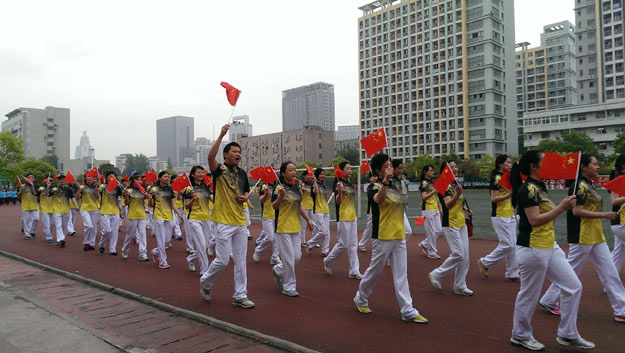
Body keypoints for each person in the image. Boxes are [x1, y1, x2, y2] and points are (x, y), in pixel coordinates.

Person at [509, 150, 593, 351]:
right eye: (545, 161)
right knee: (529, 294)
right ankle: (520, 335)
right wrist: (562, 207)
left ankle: (567, 333)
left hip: (549, 245)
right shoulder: (528, 188)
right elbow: (534, 221)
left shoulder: (539, 186)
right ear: (533, 166)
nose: (551, 164)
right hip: (532, 248)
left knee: (573, 286)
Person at [539, 153, 625, 324]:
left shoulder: (588, 184)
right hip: (582, 234)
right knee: (571, 270)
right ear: (584, 167)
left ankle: (621, 309)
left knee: (610, 272)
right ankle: (549, 300)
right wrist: (605, 214)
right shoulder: (579, 185)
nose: (598, 167)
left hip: (595, 235)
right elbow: (576, 211)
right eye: (594, 164)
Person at [353, 153, 428, 324]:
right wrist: (385, 182)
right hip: (383, 235)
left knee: (402, 273)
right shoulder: (373, 186)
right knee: (375, 270)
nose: (391, 168)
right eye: (386, 166)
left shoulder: (397, 185)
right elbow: (378, 201)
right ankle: (360, 298)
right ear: (378, 170)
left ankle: (408, 310)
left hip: (398, 234)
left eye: (391, 165)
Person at [199, 124, 255, 309]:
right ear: (225, 155)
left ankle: (240, 295)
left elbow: (246, 193)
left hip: (239, 221)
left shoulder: (243, 174)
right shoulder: (219, 171)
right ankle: (206, 282)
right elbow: (210, 157)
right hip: (223, 221)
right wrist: (222, 135)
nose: (238, 154)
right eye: (234, 151)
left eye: (239, 152)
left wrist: (245, 197)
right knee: (222, 260)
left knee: (240, 260)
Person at [428, 160, 473, 296]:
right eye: (451, 167)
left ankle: (460, 286)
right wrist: (458, 194)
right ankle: (437, 274)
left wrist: (465, 209)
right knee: (459, 253)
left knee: (465, 257)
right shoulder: (443, 184)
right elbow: (447, 205)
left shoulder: (455, 184)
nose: (455, 169)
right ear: (445, 171)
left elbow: (458, 202)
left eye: (455, 167)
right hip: (450, 223)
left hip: (461, 223)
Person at [271, 161, 314, 297]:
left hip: (295, 226)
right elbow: (273, 206)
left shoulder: (296, 187)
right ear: (283, 173)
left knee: (297, 256)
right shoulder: (278, 188)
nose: (294, 172)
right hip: (283, 227)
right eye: (290, 170)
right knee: (289, 258)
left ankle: (278, 270)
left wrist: (308, 219)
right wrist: (281, 197)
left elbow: (299, 205)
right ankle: (288, 286)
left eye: (295, 170)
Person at [477, 155, 520, 281]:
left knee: (513, 245)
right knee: (508, 244)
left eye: (511, 162)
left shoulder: (508, 177)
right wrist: (509, 195)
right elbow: (493, 199)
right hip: (500, 214)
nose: (510, 164)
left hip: (510, 213)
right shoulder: (497, 178)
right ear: (500, 164)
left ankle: (513, 273)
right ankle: (485, 262)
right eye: (508, 162)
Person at [324, 161, 361, 279]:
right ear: (341, 171)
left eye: (350, 168)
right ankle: (328, 261)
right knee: (343, 244)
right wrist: (339, 191)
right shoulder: (338, 184)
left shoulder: (349, 184)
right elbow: (338, 202)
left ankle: (354, 271)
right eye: (348, 169)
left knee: (353, 244)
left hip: (352, 216)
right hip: (343, 217)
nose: (350, 170)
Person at [149, 171, 182, 269]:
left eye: (168, 177)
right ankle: (163, 261)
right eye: (165, 176)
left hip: (168, 215)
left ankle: (155, 251)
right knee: (161, 238)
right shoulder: (154, 189)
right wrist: (150, 199)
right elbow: (151, 204)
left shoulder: (170, 189)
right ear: (159, 178)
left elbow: (172, 203)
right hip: (158, 215)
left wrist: (178, 213)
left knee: (167, 240)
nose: (167, 178)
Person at [184, 166, 213, 274]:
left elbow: (212, 199)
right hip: (195, 218)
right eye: (199, 172)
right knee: (201, 244)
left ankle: (191, 259)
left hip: (206, 218)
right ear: (193, 174)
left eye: (202, 172)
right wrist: (192, 199)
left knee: (204, 245)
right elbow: (186, 206)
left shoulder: (206, 187)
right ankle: (205, 270)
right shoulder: (189, 189)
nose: (201, 174)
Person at [120, 173, 150, 261]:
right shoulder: (129, 191)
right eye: (137, 179)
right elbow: (126, 203)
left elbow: (145, 202)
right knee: (130, 235)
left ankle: (142, 254)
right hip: (132, 215)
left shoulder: (142, 190)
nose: (139, 181)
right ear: (133, 181)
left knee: (142, 234)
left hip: (142, 215)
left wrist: (149, 197)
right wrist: (126, 196)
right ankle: (125, 250)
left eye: (140, 179)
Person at [252, 180, 281, 265]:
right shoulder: (264, 186)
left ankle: (275, 257)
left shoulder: (279, 186)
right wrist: (266, 194)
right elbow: (261, 200)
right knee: (270, 237)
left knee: (276, 238)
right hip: (267, 215)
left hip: (276, 215)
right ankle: (258, 250)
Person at [418, 165, 443, 259]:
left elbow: (436, 197)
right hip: (428, 209)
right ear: (425, 172)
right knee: (431, 232)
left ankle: (424, 244)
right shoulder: (424, 183)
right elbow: (424, 197)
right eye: (431, 170)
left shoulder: (432, 182)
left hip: (435, 208)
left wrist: (440, 207)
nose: (433, 172)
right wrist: (433, 192)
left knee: (438, 230)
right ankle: (432, 252)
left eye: (433, 170)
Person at [305, 168, 331, 256]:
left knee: (327, 232)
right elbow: (315, 191)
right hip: (318, 211)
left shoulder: (323, 186)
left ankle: (325, 251)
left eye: (323, 174)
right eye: (320, 174)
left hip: (326, 210)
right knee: (322, 231)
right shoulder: (313, 185)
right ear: (316, 175)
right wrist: (315, 181)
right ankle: (310, 243)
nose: (322, 175)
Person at [47, 174, 77, 248]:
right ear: (58, 180)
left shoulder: (69, 189)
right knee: (58, 226)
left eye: (64, 179)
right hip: (57, 210)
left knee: (64, 226)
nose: (62, 181)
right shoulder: (54, 189)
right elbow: (47, 194)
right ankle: (61, 239)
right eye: (61, 180)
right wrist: (48, 187)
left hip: (66, 209)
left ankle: (60, 240)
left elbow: (72, 197)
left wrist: (76, 205)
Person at [99, 172, 123, 255]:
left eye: (113, 175)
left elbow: (119, 198)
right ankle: (102, 244)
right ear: (107, 177)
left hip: (115, 210)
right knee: (107, 230)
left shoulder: (118, 187)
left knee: (114, 231)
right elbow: (98, 195)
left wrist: (120, 209)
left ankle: (112, 249)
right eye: (110, 175)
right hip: (105, 210)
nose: (112, 176)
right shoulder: (103, 186)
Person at [77, 174, 100, 251]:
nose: (90, 178)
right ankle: (86, 242)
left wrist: (97, 188)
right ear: (85, 178)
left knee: (94, 227)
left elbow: (97, 197)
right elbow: (77, 197)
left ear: (94, 179)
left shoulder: (96, 186)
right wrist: (79, 190)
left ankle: (91, 244)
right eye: (88, 177)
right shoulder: (82, 187)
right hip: (85, 208)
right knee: (89, 226)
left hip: (94, 208)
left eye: (91, 177)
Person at [610, 153, 625, 271]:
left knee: (618, 254)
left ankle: (609, 284)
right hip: (621, 223)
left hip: (620, 223)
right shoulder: (619, 179)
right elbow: (614, 200)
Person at [391, 159, 413, 240]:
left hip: (400, 209)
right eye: (399, 168)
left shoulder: (400, 180)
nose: (401, 170)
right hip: (390, 211)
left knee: (408, 232)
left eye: (401, 168)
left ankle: (396, 249)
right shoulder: (388, 180)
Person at [358, 173, 378, 252]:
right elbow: (372, 198)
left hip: (379, 211)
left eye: (376, 176)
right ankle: (362, 243)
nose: (375, 178)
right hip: (371, 211)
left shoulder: (379, 185)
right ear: (370, 178)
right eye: (373, 177)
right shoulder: (370, 187)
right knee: (369, 228)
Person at [18, 174, 39, 239]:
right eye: (29, 177)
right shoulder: (22, 185)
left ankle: (31, 231)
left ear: (34, 179)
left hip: (34, 205)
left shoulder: (36, 185)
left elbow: (35, 194)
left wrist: (32, 186)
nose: (30, 178)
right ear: (26, 178)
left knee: (36, 219)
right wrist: (21, 190)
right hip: (25, 205)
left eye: (32, 177)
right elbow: (18, 196)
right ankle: (27, 234)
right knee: (26, 221)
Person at [299, 170, 316, 246]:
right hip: (304, 207)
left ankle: (313, 241)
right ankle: (302, 241)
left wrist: (315, 181)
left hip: (311, 206)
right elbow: (300, 195)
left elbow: (316, 192)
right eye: (308, 175)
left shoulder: (312, 184)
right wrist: (300, 187)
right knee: (303, 225)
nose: (310, 176)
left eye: (310, 175)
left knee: (313, 224)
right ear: (304, 176)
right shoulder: (301, 184)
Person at [38, 178, 56, 243]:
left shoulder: (54, 189)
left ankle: (46, 231)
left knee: (53, 224)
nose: (50, 182)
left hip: (53, 208)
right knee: (47, 224)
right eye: (48, 180)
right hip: (44, 208)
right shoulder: (41, 188)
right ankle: (48, 236)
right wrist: (48, 187)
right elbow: (46, 195)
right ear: (46, 181)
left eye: (51, 180)